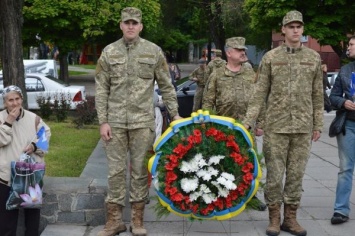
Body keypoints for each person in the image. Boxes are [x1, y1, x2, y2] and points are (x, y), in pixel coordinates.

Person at [95, 7, 181, 236]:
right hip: (114, 122)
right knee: (115, 172)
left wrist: (175, 116)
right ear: (121, 25)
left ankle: (138, 221)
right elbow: (101, 88)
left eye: (135, 23)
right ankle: (114, 221)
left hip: (142, 122)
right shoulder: (109, 52)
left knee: (141, 171)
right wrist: (102, 121)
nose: (131, 26)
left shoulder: (153, 51)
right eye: (127, 23)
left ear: (141, 26)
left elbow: (166, 86)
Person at [243, 10, 323, 236]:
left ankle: (291, 218)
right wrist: (248, 122)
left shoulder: (313, 58)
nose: (295, 30)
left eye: (299, 26)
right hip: (275, 127)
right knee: (275, 176)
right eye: (291, 26)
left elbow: (317, 94)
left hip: (302, 126)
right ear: (284, 30)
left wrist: (318, 124)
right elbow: (259, 93)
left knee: (296, 175)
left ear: (303, 30)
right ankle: (274, 218)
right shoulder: (270, 57)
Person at [202, 37, 266, 211]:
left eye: (243, 49)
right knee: (223, 163)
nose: (243, 52)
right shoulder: (217, 74)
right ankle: (223, 196)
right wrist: (207, 125)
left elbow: (259, 100)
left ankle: (251, 196)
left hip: (247, 128)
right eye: (239, 50)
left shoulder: (250, 73)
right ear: (229, 53)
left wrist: (261, 123)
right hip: (224, 129)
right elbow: (208, 102)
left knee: (249, 163)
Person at [0, 85, 51, 236]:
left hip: (30, 176)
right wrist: (8, 121)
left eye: (17, 99)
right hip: (5, 177)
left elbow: (45, 135)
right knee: (6, 222)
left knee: (32, 219)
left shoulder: (34, 119)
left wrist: (35, 146)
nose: (14, 103)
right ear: (5, 102)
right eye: (10, 100)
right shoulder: (1, 118)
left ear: (22, 99)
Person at [329, 35, 355, 225]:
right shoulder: (346, 70)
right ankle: (341, 210)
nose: (349, 47)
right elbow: (334, 97)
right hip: (349, 125)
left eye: (353, 45)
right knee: (345, 168)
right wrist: (343, 102)